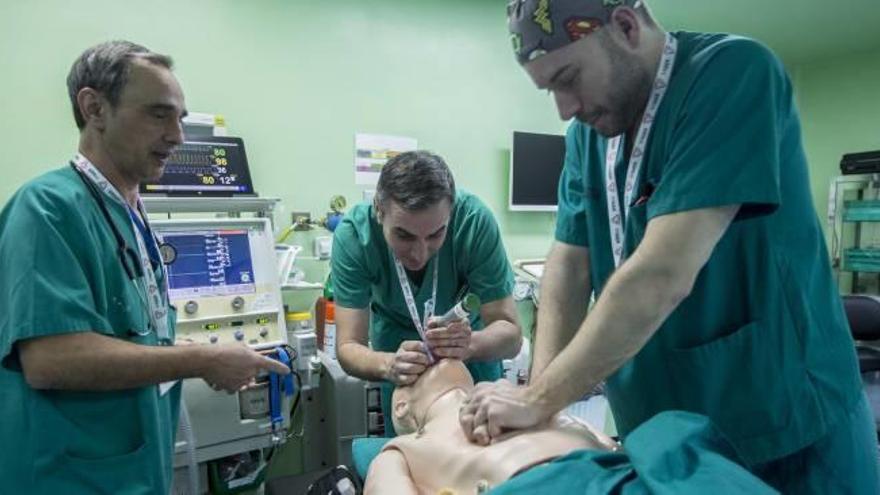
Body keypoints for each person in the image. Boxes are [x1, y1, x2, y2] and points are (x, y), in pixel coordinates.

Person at [459, 1, 880, 493]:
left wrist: (540, 400)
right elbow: (569, 269)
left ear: (625, 25)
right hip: (661, 427)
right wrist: (538, 393)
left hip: (781, 413)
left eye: (568, 77)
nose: (565, 108)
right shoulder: (588, 139)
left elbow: (661, 274)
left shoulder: (732, 75)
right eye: (550, 89)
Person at [0, 40, 289, 494]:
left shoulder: (132, 213)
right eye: (159, 114)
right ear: (94, 107)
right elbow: (51, 360)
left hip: (134, 468)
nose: (177, 135)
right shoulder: (47, 209)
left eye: (179, 117)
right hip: (68, 475)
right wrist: (203, 358)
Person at [366, 359, 775, 494]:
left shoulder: (527, 406)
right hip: (559, 481)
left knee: (670, 432)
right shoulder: (403, 449)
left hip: (626, 478)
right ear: (401, 406)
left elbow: (612, 450)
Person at [331, 150, 522, 434]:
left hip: (473, 360)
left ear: (451, 213)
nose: (419, 253)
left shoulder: (474, 222)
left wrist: (469, 345)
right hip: (400, 361)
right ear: (378, 211)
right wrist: (387, 365)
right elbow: (347, 347)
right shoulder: (355, 237)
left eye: (435, 235)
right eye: (404, 236)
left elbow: (511, 335)